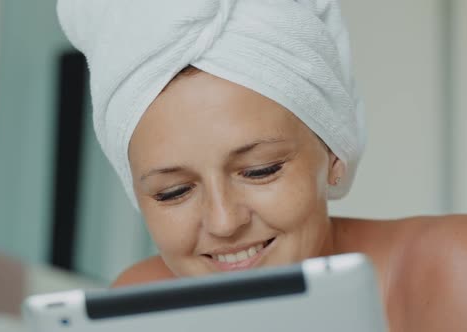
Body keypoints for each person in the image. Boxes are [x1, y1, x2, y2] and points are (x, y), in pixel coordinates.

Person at [57, 0, 467, 330]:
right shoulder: (139, 301)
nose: (223, 222)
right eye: (174, 192)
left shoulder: (452, 269)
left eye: (260, 170)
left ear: (333, 152)